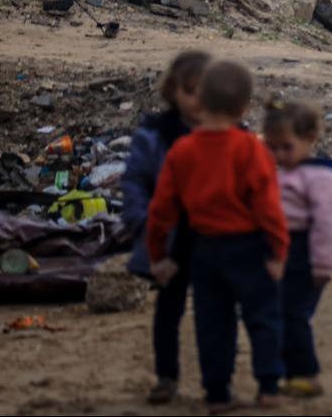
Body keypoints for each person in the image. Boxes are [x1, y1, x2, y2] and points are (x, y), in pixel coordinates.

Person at [146, 60, 289, 414]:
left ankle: (218, 393)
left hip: (205, 250)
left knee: (213, 324)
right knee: (263, 318)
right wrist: (278, 252)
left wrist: (158, 256)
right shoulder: (251, 149)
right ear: (244, 107)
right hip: (249, 248)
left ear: (202, 102)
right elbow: (268, 207)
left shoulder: (182, 152)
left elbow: (161, 211)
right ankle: (269, 386)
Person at [123, 50, 212, 405]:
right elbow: (134, 181)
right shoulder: (155, 134)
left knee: (212, 313)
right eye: (190, 91)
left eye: (206, 92)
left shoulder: (227, 134)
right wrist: (142, 222)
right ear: (173, 91)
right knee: (169, 310)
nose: (198, 101)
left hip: (212, 241)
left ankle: (215, 380)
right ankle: (166, 376)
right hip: (168, 240)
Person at [263, 98, 332, 399]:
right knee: (278, 312)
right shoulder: (279, 172)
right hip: (278, 250)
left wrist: (322, 264)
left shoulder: (322, 178)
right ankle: (287, 371)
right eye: (273, 148)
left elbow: (328, 224)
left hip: (304, 252)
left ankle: (306, 374)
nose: (280, 155)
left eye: (287, 147)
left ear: (309, 139)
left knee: (294, 313)